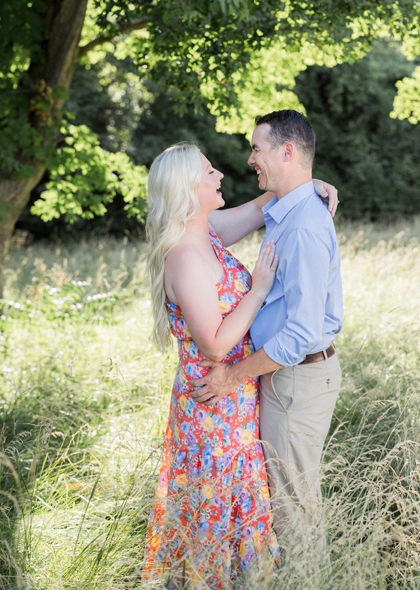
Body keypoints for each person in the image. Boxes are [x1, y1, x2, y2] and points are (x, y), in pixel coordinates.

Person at [141, 142, 337, 587]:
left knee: (238, 503)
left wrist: (306, 187)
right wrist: (259, 289)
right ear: (189, 189)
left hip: (234, 396)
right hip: (212, 402)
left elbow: (257, 206)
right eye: (210, 173)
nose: (221, 176)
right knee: (215, 507)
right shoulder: (186, 256)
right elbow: (213, 344)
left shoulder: (206, 232)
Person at [190, 110, 344, 553]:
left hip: (296, 377)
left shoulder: (305, 228)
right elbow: (211, 229)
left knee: (293, 513)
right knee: (284, 505)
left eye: (257, 148)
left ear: (287, 152)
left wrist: (231, 375)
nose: (249, 158)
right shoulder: (287, 213)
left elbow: (299, 335)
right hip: (282, 376)